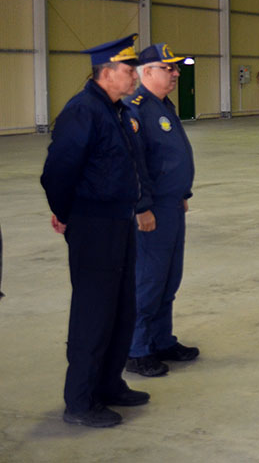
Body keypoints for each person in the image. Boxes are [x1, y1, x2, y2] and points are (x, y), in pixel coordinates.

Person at [40, 34, 153, 428]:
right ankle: (81, 400)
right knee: (93, 312)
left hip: (119, 221)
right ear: (106, 73)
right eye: (128, 70)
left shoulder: (115, 110)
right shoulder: (83, 111)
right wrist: (66, 213)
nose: (135, 77)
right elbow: (57, 171)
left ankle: (109, 385)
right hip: (93, 225)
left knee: (121, 308)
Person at [124, 43, 199, 377]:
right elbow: (134, 164)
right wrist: (142, 207)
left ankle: (161, 340)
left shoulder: (163, 105)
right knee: (148, 279)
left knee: (169, 278)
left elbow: (168, 157)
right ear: (147, 72)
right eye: (169, 68)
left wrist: (182, 192)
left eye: (176, 68)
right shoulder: (136, 108)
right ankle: (137, 349)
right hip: (151, 210)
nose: (176, 74)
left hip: (171, 205)